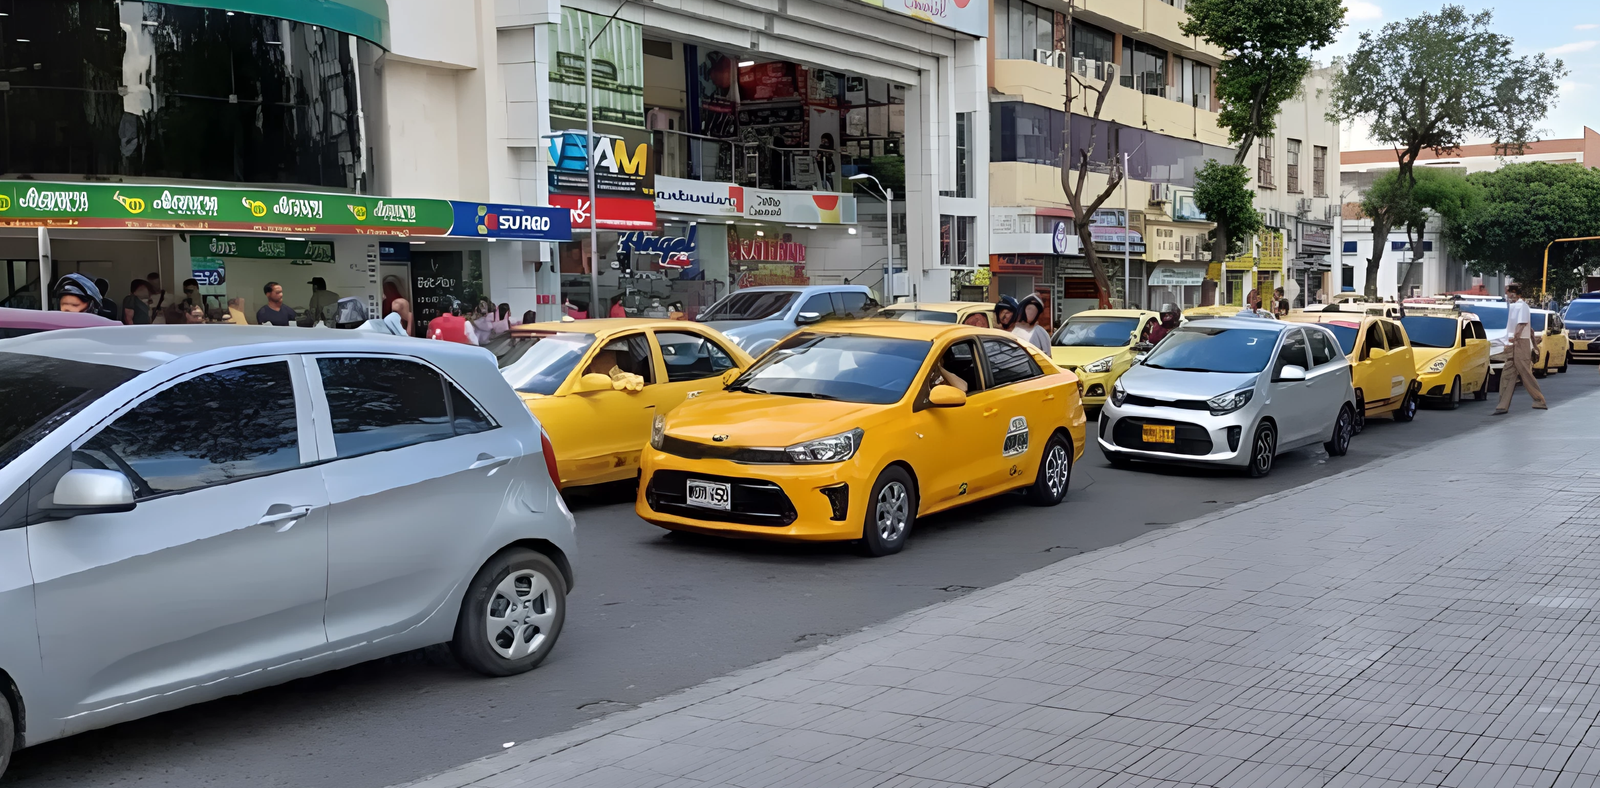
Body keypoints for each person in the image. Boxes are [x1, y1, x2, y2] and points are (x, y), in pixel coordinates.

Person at [1494, 284, 1547, 414]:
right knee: (1507, 373)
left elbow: (1521, 324)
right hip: (1515, 342)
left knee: (1525, 372)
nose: (1507, 295)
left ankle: (1539, 400)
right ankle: (1502, 405)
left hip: (1520, 342)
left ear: (1514, 293)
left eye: (1508, 293)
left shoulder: (1522, 306)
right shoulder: (1514, 306)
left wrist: (1515, 337)